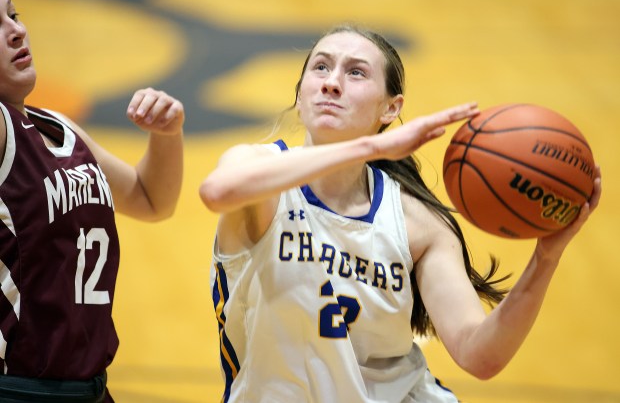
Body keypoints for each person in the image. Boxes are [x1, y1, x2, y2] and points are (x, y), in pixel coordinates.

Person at [199, 24, 601, 402]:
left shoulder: (417, 222)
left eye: (356, 73)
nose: (332, 81)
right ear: (301, 96)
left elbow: (480, 355)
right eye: (320, 66)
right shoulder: (257, 171)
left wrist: (546, 258)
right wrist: (371, 148)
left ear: (390, 109)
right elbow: (217, 192)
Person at [0, 0, 184, 402]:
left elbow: (151, 199)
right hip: (21, 389)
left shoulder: (58, 128)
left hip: (91, 388)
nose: (16, 31)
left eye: (14, 15)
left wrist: (167, 135)